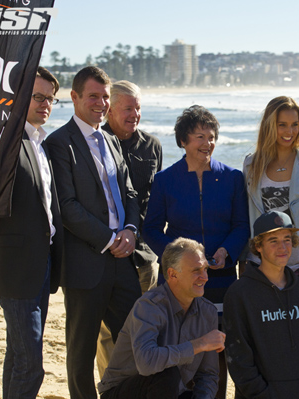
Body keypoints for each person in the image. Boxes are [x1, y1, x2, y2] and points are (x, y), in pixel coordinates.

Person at [0, 67, 63, 399]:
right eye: (38, 97)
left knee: (19, 355)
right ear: (18, 95)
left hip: (43, 263)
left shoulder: (41, 143)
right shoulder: (2, 140)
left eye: (50, 99)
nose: (45, 104)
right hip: (13, 267)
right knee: (31, 363)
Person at [45, 66, 141, 399]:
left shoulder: (112, 140)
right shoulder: (59, 144)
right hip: (87, 264)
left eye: (104, 97)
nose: (100, 103)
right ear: (74, 97)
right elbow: (67, 206)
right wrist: (109, 238)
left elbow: (129, 193)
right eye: (93, 96)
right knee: (81, 352)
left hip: (123, 262)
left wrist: (130, 230)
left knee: (134, 341)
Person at [143, 105, 249, 398]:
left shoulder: (232, 178)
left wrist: (227, 251)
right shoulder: (165, 180)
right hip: (178, 283)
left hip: (221, 280)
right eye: (199, 137)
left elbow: (242, 225)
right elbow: (150, 228)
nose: (208, 143)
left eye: (212, 136)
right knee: (179, 349)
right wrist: (179, 258)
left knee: (217, 350)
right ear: (183, 142)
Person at [98, 238, 225, 399]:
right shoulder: (149, 306)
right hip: (124, 392)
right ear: (172, 274)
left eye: (206, 269)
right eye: (196, 271)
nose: (205, 277)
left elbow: (208, 376)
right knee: (167, 374)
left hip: (170, 392)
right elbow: (147, 364)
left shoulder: (208, 312)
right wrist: (199, 344)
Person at [96, 80, 163, 379]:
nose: (134, 114)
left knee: (144, 327)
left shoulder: (152, 146)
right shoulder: (95, 143)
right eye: (128, 108)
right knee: (108, 333)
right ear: (109, 109)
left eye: (138, 108)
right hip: (104, 252)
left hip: (144, 256)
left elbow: (156, 201)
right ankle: (111, 388)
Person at [223, 211, 299, 398]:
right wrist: (262, 394)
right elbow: (238, 357)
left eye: (287, 239)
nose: (282, 247)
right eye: (273, 241)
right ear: (258, 246)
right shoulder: (239, 294)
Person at [243, 96, 299, 290]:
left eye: (294, 125)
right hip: (261, 265)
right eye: (282, 125)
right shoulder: (251, 164)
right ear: (269, 126)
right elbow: (246, 217)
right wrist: (244, 259)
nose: (289, 131)